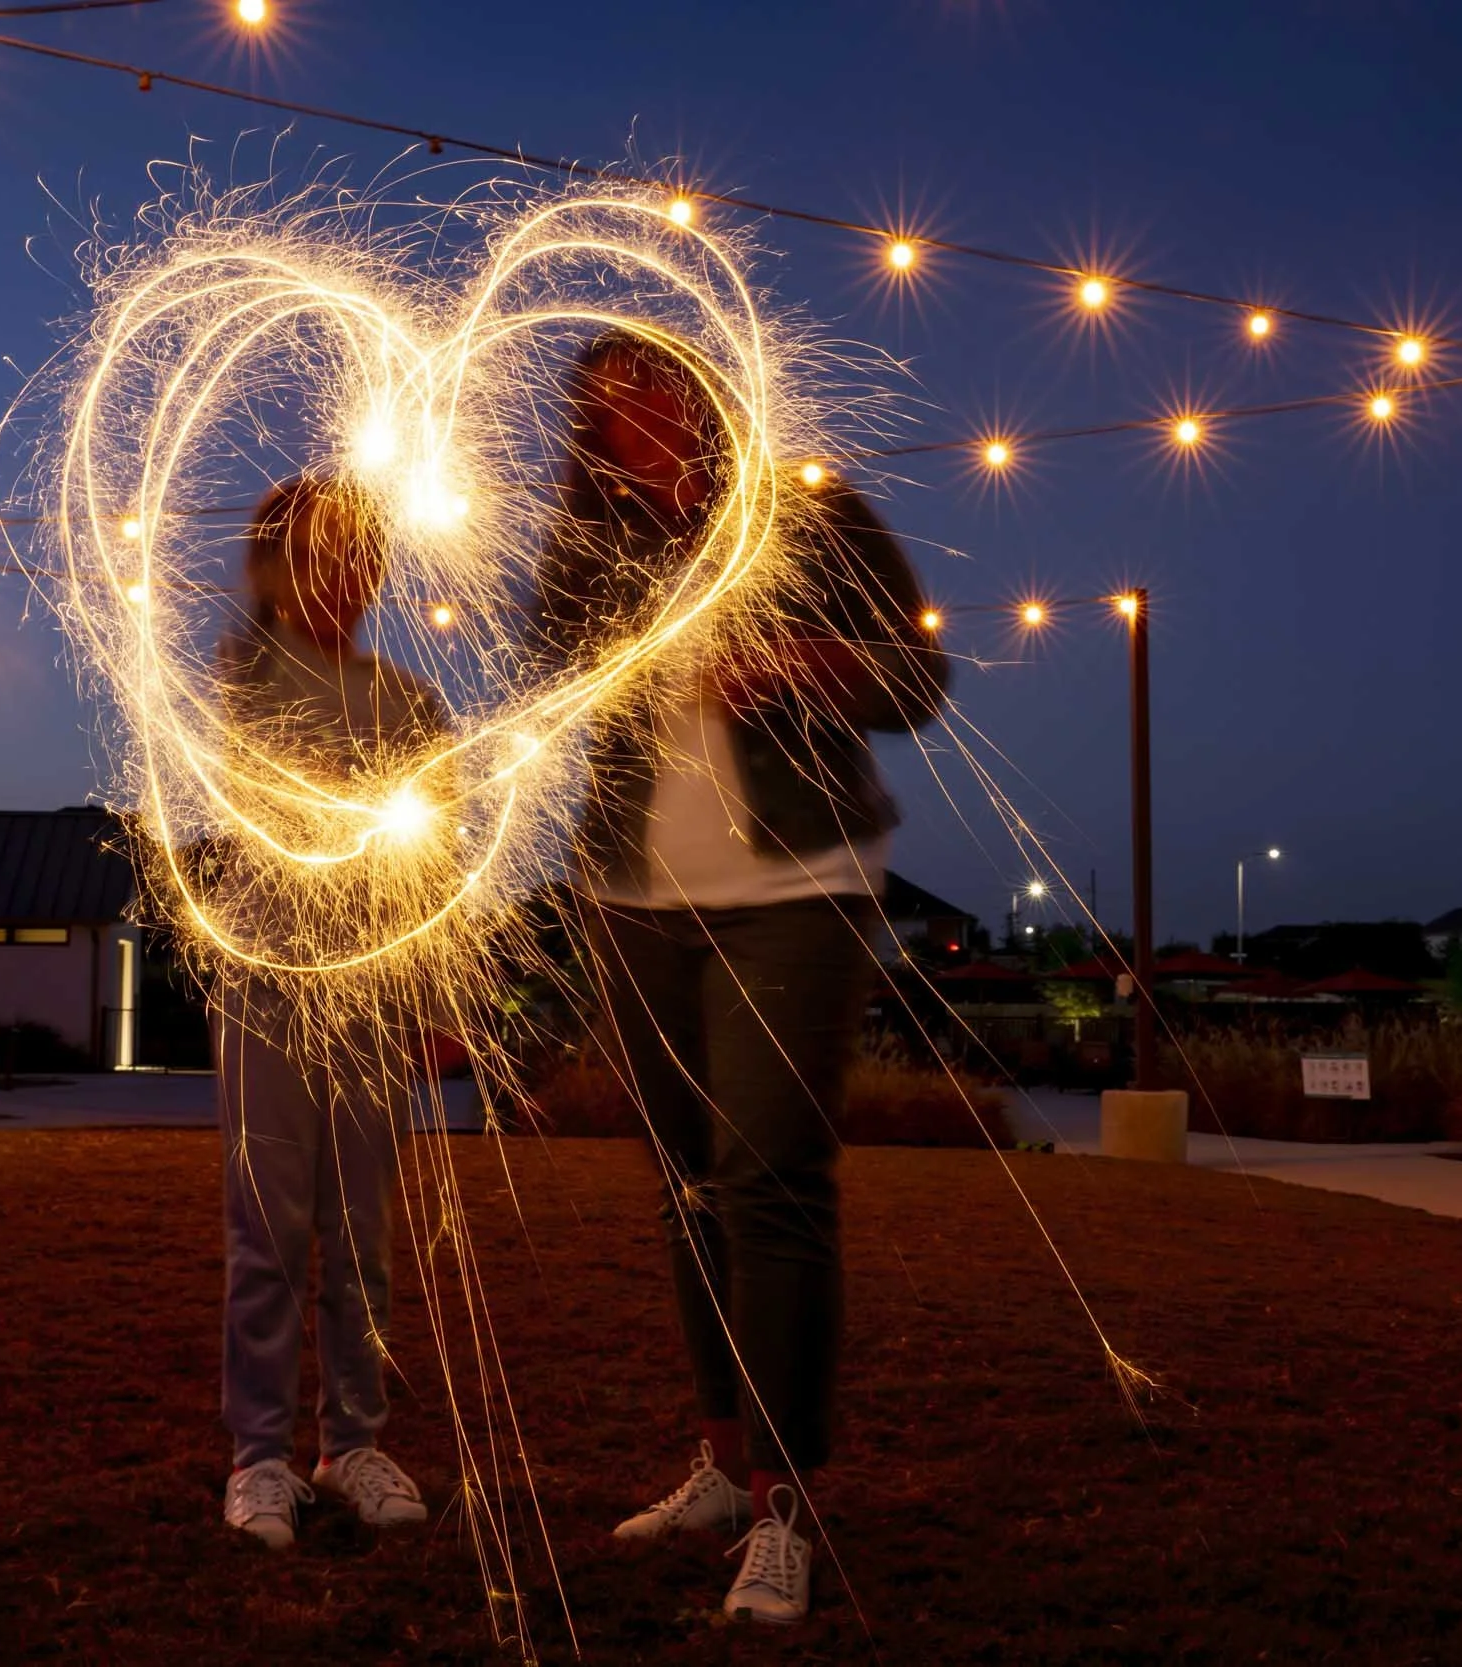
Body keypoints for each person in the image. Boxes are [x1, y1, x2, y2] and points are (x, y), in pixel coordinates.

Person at [529, 334, 949, 1624]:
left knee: (768, 1180)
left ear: (701, 399)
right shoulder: (583, 545)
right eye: (608, 412)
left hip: (794, 888)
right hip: (631, 896)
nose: (634, 424)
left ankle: (783, 1504)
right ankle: (721, 1463)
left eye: (653, 395)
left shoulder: (810, 513)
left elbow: (919, 678)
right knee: (685, 1185)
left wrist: (802, 664)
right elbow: (550, 685)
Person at [213, 474, 449, 1549]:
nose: (343, 571)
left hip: (369, 986)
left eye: (360, 549)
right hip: (268, 978)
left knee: (362, 1232)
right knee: (270, 1225)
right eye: (317, 549)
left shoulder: (412, 701)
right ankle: (259, 1454)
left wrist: (431, 993)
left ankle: (352, 1440)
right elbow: (264, 775)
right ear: (275, 564)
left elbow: (432, 863)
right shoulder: (245, 670)